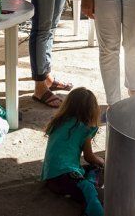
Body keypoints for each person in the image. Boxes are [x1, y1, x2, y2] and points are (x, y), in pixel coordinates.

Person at [42, 87, 104, 216]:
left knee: (86, 173)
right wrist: (103, 161)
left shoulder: (58, 122)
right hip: (64, 176)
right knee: (95, 173)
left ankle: (85, 185)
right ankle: (94, 209)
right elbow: (89, 157)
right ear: (91, 111)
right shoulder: (83, 128)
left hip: (50, 177)